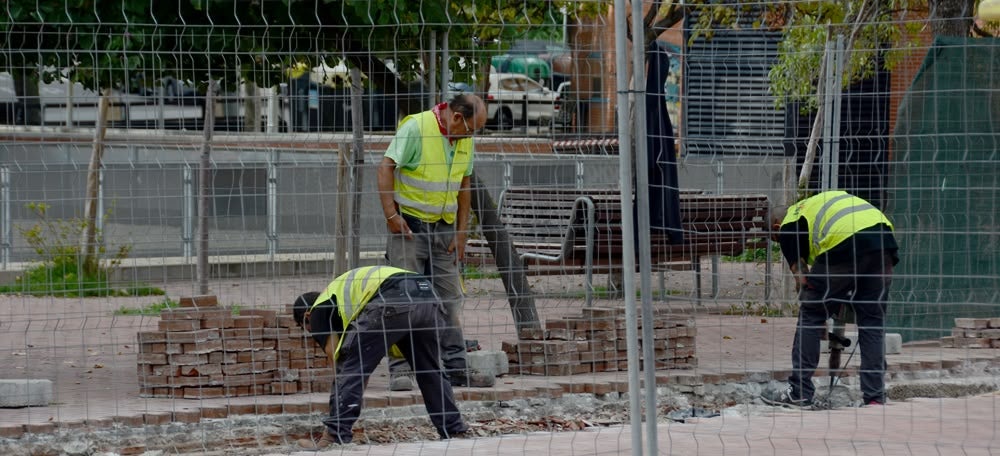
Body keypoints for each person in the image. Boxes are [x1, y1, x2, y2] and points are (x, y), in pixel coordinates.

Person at [375, 94, 492, 389]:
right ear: (456, 118)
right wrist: (391, 214)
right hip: (409, 229)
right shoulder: (416, 128)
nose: (472, 135)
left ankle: (455, 368)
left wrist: (462, 231)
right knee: (404, 299)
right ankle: (401, 369)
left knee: (449, 300)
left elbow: (464, 185)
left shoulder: (463, 139)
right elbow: (386, 166)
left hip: (444, 230)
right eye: (471, 129)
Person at [292, 265, 468, 449]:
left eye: (306, 328)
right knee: (429, 369)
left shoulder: (319, 309)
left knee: (349, 368)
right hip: (427, 296)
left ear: (307, 316)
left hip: (392, 299)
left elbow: (342, 367)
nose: (311, 333)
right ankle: (453, 429)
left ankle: (333, 437)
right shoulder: (339, 299)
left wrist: (351, 387)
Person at [764, 190, 899, 408]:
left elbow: (803, 280)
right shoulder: (813, 206)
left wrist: (820, 314)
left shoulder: (789, 223)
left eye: (775, 239)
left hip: (845, 241)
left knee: (810, 314)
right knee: (872, 322)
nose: (780, 244)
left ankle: (799, 393)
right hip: (883, 242)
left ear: (776, 227)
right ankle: (874, 398)